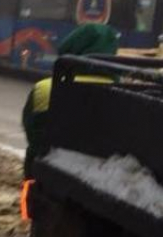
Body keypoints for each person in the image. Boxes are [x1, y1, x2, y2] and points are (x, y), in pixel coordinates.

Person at [22, 23, 119, 177]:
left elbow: (34, 137)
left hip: (47, 178)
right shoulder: (126, 93)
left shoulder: (46, 89)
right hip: (109, 178)